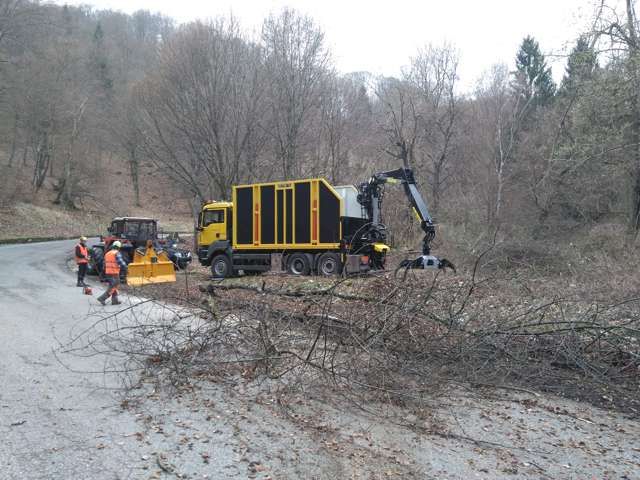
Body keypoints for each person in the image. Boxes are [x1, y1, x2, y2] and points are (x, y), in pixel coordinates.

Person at [97, 241, 127, 306]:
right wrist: (126, 268)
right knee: (113, 286)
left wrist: (103, 273)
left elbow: (104, 265)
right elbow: (121, 262)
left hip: (108, 272)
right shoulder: (117, 253)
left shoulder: (107, 253)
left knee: (113, 285)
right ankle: (102, 298)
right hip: (114, 272)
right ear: (118, 247)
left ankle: (115, 300)